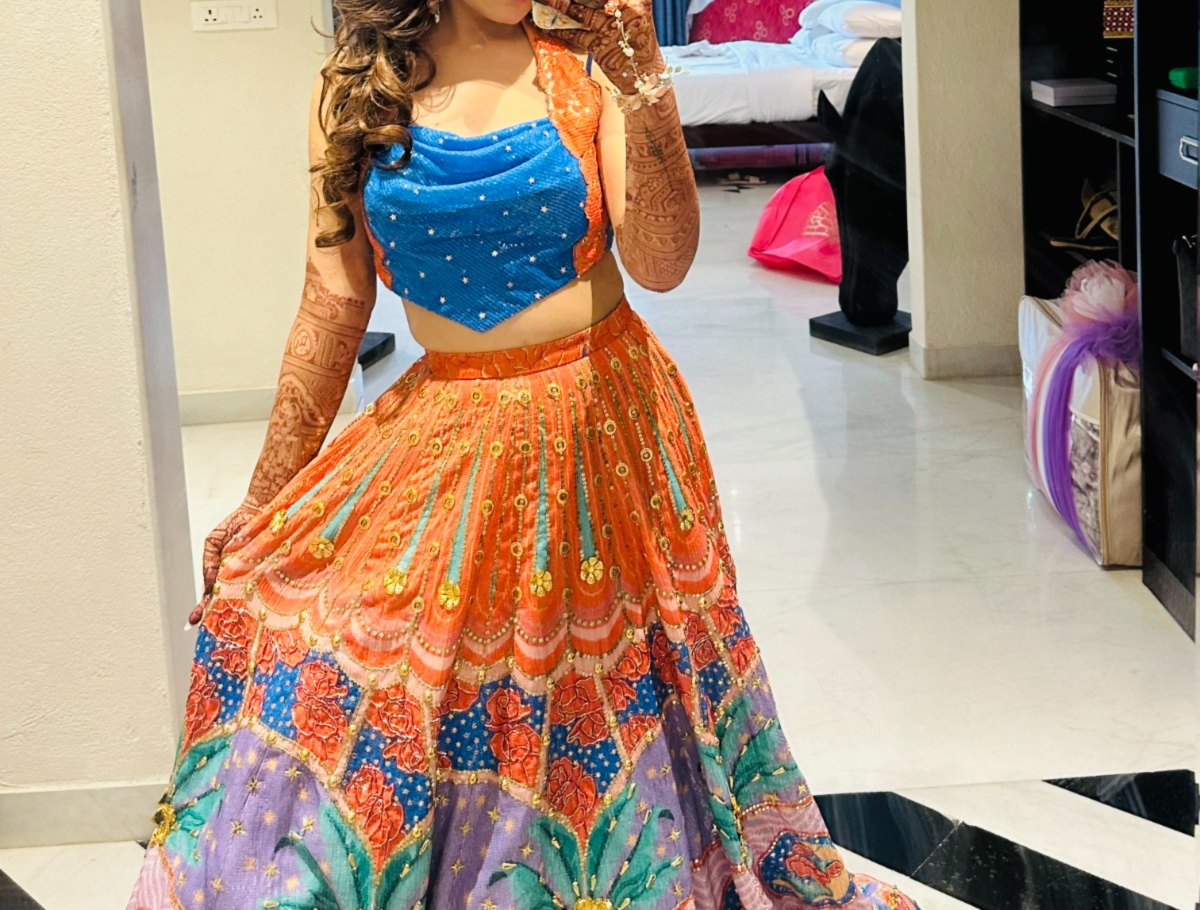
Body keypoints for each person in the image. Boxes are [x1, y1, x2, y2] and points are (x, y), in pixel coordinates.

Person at [127, 2, 919, 908]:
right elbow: (333, 302)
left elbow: (662, 263)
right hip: (445, 435)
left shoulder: (587, 65)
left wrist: (644, 80)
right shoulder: (354, 91)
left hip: (603, 429)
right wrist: (264, 499)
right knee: (419, 688)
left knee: (602, 699)